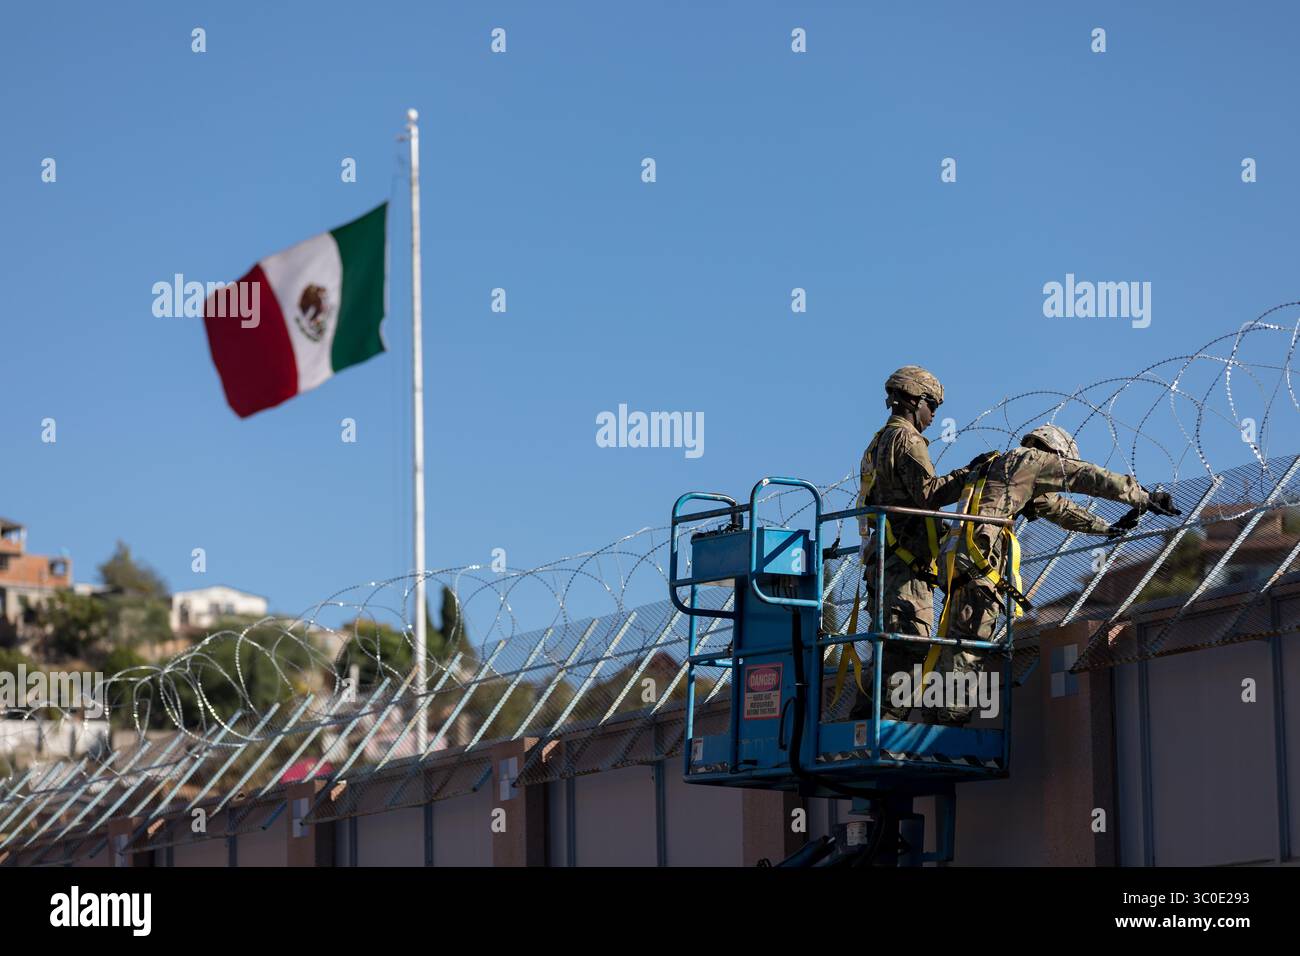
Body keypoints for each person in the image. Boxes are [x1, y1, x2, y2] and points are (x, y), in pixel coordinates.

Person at [929, 423, 1180, 723]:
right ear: (1054, 452)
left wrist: (1106, 527)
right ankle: (949, 719)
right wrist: (1142, 496)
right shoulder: (1033, 461)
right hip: (979, 562)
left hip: (959, 560)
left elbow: (1059, 509)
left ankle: (941, 712)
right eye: (1061, 461)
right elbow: (1086, 476)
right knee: (970, 641)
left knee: (959, 636)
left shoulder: (1001, 465)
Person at [844, 366, 994, 721]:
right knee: (910, 648)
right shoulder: (907, 440)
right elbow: (929, 494)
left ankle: (864, 726)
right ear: (915, 400)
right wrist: (972, 473)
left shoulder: (878, 441)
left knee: (890, 648)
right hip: (906, 569)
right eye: (932, 407)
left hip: (887, 560)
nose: (933, 416)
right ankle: (883, 729)